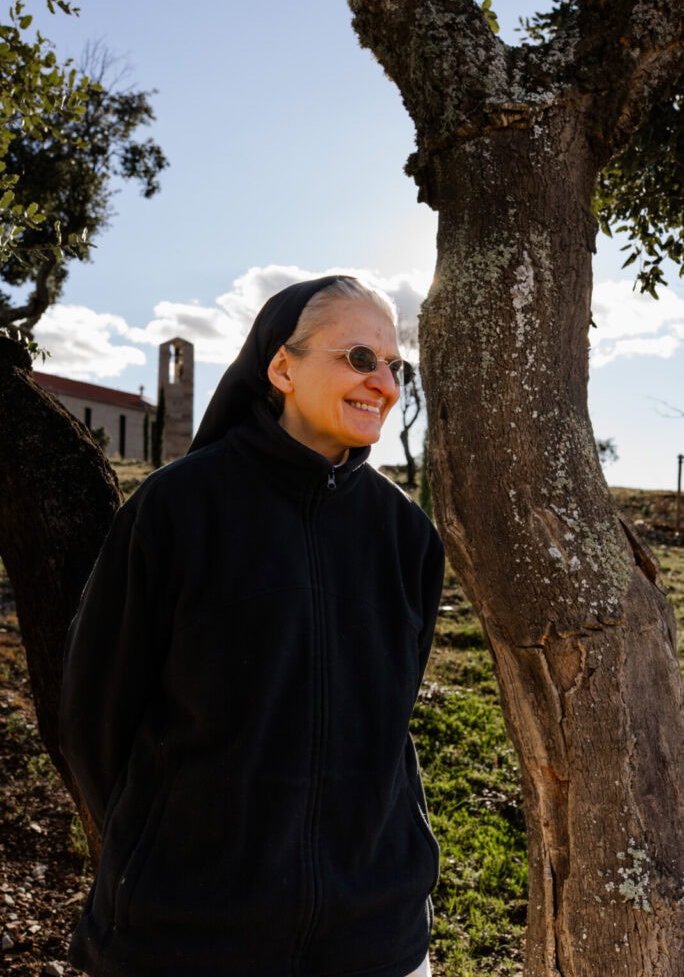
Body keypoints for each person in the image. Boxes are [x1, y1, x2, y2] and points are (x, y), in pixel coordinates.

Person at [60, 275, 445, 977]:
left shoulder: (407, 536)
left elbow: (391, 720)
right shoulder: (176, 510)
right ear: (281, 368)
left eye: (395, 366)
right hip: (186, 940)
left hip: (375, 942)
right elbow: (96, 718)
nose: (384, 384)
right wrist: (169, 849)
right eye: (360, 358)